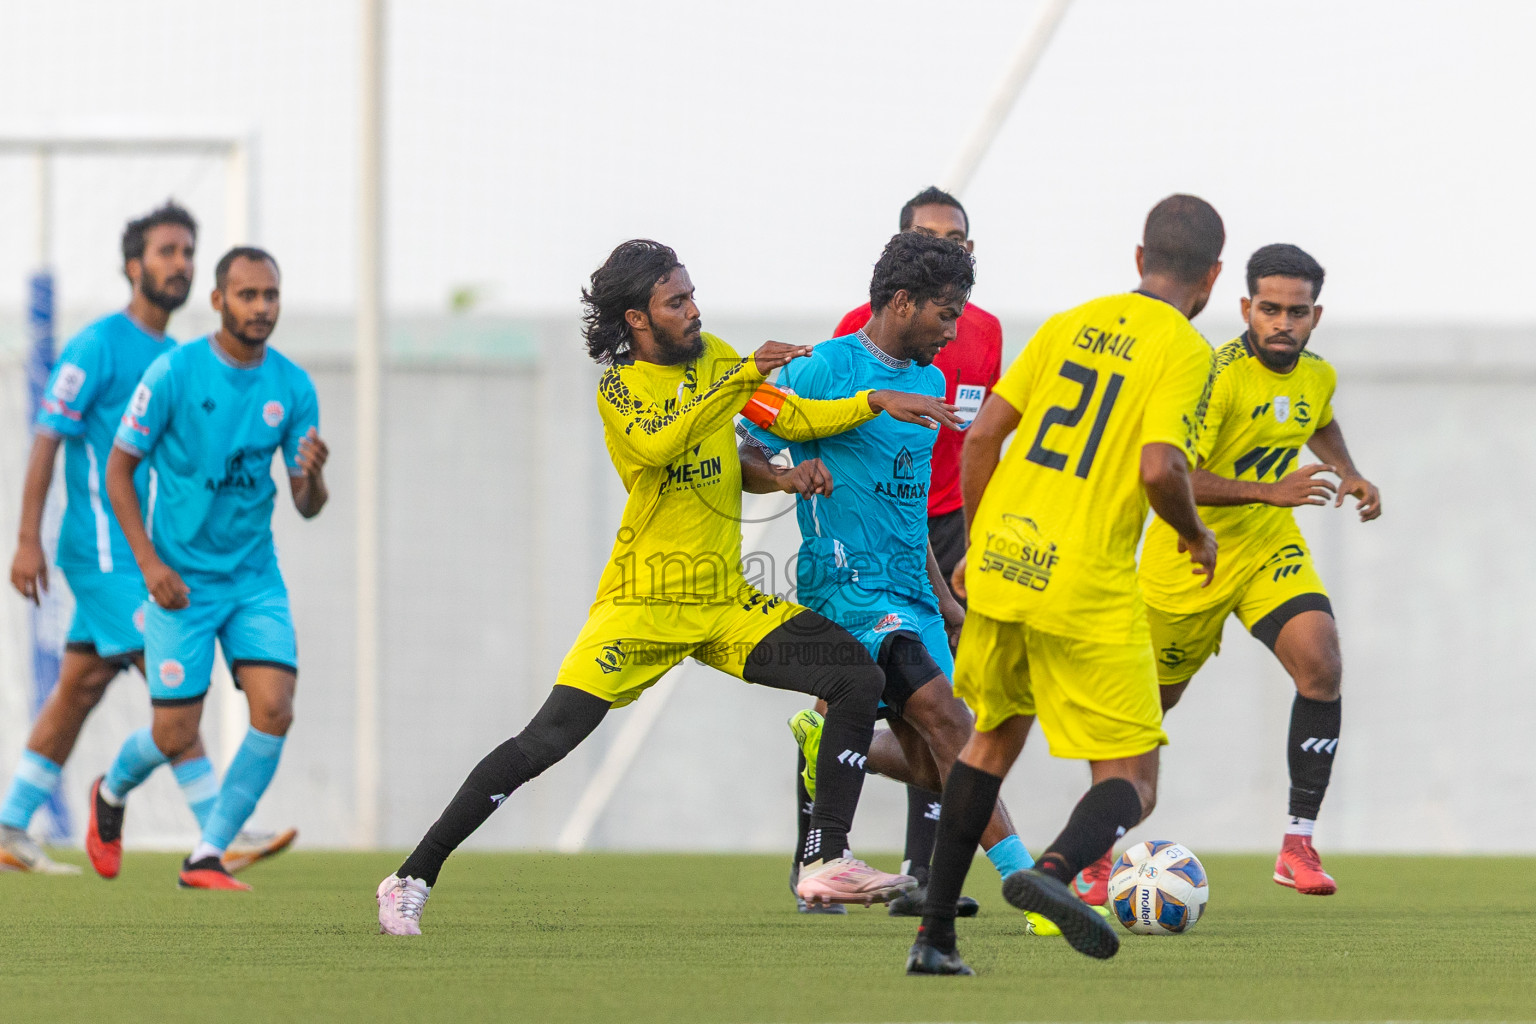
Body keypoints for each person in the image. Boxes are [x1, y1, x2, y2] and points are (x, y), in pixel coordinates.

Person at [375, 240, 962, 935]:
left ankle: (824, 859)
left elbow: (791, 421)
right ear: (637, 319)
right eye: (676, 302)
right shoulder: (619, 389)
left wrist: (870, 402)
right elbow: (661, 445)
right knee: (544, 741)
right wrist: (740, 379)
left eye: (692, 295)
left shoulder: (716, 359)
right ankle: (411, 876)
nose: (693, 310)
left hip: (724, 602)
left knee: (855, 675)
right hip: (645, 604)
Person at [906, 195, 1224, 975]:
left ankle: (934, 938)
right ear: (1214, 278)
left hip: (1005, 562)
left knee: (989, 740)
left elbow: (982, 436)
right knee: (1133, 780)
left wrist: (978, 543)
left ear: (1140, 258)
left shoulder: (1067, 324)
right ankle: (1051, 873)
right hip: (1086, 580)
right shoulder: (1185, 350)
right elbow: (1160, 468)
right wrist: (1193, 532)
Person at [745, 231, 1047, 922]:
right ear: (903, 301)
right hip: (846, 587)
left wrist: (945, 601)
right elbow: (742, 443)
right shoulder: (822, 368)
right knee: (951, 720)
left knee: (946, 761)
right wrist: (785, 476)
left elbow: (908, 511)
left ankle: (823, 735)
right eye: (946, 314)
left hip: (914, 589)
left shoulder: (930, 383)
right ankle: (1030, 887)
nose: (954, 331)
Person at [1, 204, 292, 875]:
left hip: (140, 553)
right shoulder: (97, 346)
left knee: (79, 687)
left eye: (188, 252)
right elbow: (47, 438)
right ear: (133, 266)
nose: (180, 263)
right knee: (173, 683)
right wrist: (26, 539)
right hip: (104, 555)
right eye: (166, 251)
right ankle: (221, 829)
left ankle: (11, 823)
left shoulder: (174, 359)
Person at [1139, 243, 1380, 896]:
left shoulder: (1317, 375)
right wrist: (1270, 491)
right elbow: (1173, 476)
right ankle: (1098, 850)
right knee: (1146, 714)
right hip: (1189, 559)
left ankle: (1298, 845)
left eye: (1296, 312)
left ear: (1315, 316)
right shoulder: (1213, 377)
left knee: (1321, 664)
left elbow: (1319, 420)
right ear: (1246, 306)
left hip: (1269, 549)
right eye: (1269, 309)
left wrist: (1350, 472)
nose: (1282, 323)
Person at [85, 246, 326, 891]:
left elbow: (306, 505)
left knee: (275, 709)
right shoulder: (174, 373)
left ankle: (207, 854)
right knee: (173, 734)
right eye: (248, 295)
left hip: (253, 580)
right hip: (180, 584)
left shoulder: (293, 387)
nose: (262, 307)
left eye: (271, 295)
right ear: (219, 301)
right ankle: (109, 792)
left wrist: (313, 477)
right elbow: (118, 470)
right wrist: (149, 564)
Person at [802, 186, 1003, 913]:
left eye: (957, 239)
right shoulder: (845, 346)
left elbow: (978, 442)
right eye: (930, 237)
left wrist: (965, 559)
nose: (946, 248)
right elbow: (782, 423)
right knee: (938, 717)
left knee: (937, 729)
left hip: (934, 533)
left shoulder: (972, 338)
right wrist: (800, 468)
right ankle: (819, 858)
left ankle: (925, 880)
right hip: (856, 559)